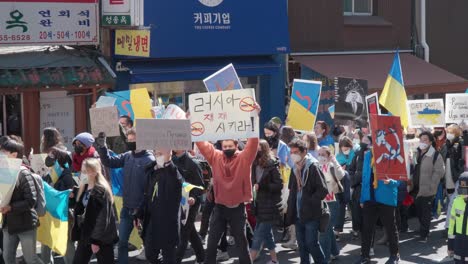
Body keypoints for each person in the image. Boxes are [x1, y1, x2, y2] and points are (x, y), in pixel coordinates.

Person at [95, 129, 155, 264]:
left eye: (133, 140)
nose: (130, 142)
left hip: (142, 211)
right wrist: (103, 146)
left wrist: (141, 210)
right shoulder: (128, 156)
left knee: (150, 246)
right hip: (127, 208)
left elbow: (151, 189)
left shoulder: (150, 160)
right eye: (129, 140)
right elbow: (109, 162)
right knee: (122, 242)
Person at [196, 136, 259, 264]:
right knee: (212, 242)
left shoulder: (244, 157)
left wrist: (254, 119)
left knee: (241, 244)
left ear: (236, 146)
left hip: (238, 208)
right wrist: (195, 126)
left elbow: (253, 144)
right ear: (221, 147)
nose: (227, 149)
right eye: (225, 146)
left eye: (230, 146)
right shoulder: (215, 156)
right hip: (220, 207)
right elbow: (202, 145)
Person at [0, 139, 44, 264]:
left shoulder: (23, 173)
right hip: (9, 224)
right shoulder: (2, 172)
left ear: (14, 154)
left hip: (26, 223)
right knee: (7, 257)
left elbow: (31, 200)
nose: (0, 154)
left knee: (31, 259)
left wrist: (11, 207)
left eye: (3, 151)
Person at [355, 147, 400, 264]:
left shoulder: (392, 152)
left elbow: (400, 177)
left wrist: (392, 182)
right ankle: (365, 256)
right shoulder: (368, 155)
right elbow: (365, 177)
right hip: (369, 197)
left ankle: (395, 255)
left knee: (390, 228)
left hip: (386, 198)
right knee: (367, 229)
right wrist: (362, 198)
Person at [287, 139, 328, 264]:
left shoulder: (313, 166)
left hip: (311, 214)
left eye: (296, 152)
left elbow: (322, 190)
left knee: (312, 244)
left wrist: (309, 202)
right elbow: (292, 189)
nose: (293, 155)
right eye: (291, 152)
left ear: (304, 152)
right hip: (298, 213)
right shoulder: (295, 168)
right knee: (302, 246)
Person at [139, 149, 182, 264]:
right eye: (157, 154)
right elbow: (147, 195)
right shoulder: (151, 171)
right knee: (150, 254)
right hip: (152, 221)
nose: (158, 156)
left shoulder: (174, 173)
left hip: (167, 222)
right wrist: (139, 213)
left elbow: (173, 176)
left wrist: (167, 161)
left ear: (169, 155)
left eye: (161, 154)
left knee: (169, 257)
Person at [71, 158, 118, 263]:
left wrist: (95, 241)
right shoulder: (84, 187)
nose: (81, 174)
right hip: (86, 233)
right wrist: (72, 197)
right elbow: (80, 208)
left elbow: (102, 219)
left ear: (93, 172)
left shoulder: (100, 190)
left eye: (84, 171)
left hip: (101, 237)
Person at [41, 128, 76, 264]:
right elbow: (70, 174)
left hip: (48, 197)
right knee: (64, 235)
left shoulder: (47, 155)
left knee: (47, 236)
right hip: (62, 197)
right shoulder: (65, 153)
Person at [250, 140, 283, 264]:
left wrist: (262, 186)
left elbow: (279, 184)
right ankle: (274, 260)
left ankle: (250, 260)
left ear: (262, 149)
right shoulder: (254, 163)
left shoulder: (272, 164)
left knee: (258, 236)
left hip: (270, 205)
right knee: (267, 235)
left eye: (257, 147)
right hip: (259, 204)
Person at [172, 149, 205, 264]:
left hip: (190, 204)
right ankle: (202, 258)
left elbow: (200, 185)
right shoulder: (171, 160)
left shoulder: (193, 163)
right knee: (190, 231)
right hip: (177, 202)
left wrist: (194, 197)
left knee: (183, 233)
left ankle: (175, 260)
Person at [411, 132, 445, 242]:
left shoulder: (435, 155)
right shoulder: (417, 153)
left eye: (425, 140)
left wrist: (432, 186)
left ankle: (424, 234)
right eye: (421, 139)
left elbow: (439, 172)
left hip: (428, 189)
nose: (423, 142)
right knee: (419, 211)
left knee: (425, 212)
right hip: (416, 187)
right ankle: (423, 229)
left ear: (430, 142)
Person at [318, 146, 344, 263]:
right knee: (326, 229)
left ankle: (325, 258)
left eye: (323, 154)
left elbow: (341, 175)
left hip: (332, 202)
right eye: (319, 154)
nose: (320, 156)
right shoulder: (316, 166)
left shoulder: (332, 166)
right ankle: (334, 252)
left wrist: (334, 160)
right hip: (321, 202)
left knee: (324, 231)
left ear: (329, 156)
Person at [348, 135, 372, 239]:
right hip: (357, 186)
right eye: (363, 140)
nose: (364, 142)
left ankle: (366, 231)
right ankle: (356, 229)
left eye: (366, 140)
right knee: (356, 210)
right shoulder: (357, 155)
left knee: (367, 211)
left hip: (368, 187)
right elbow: (351, 170)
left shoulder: (373, 155)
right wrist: (354, 180)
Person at [334, 137, 353, 238]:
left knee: (352, 206)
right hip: (342, 184)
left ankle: (355, 228)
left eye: (347, 148)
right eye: (343, 148)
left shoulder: (354, 154)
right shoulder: (338, 156)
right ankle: (337, 229)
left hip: (353, 183)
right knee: (341, 206)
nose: (345, 150)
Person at [447, 173, 468, 264]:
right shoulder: (456, 201)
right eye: (461, 191)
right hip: (459, 242)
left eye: (466, 191)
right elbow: (452, 225)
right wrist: (450, 246)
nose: (463, 194)